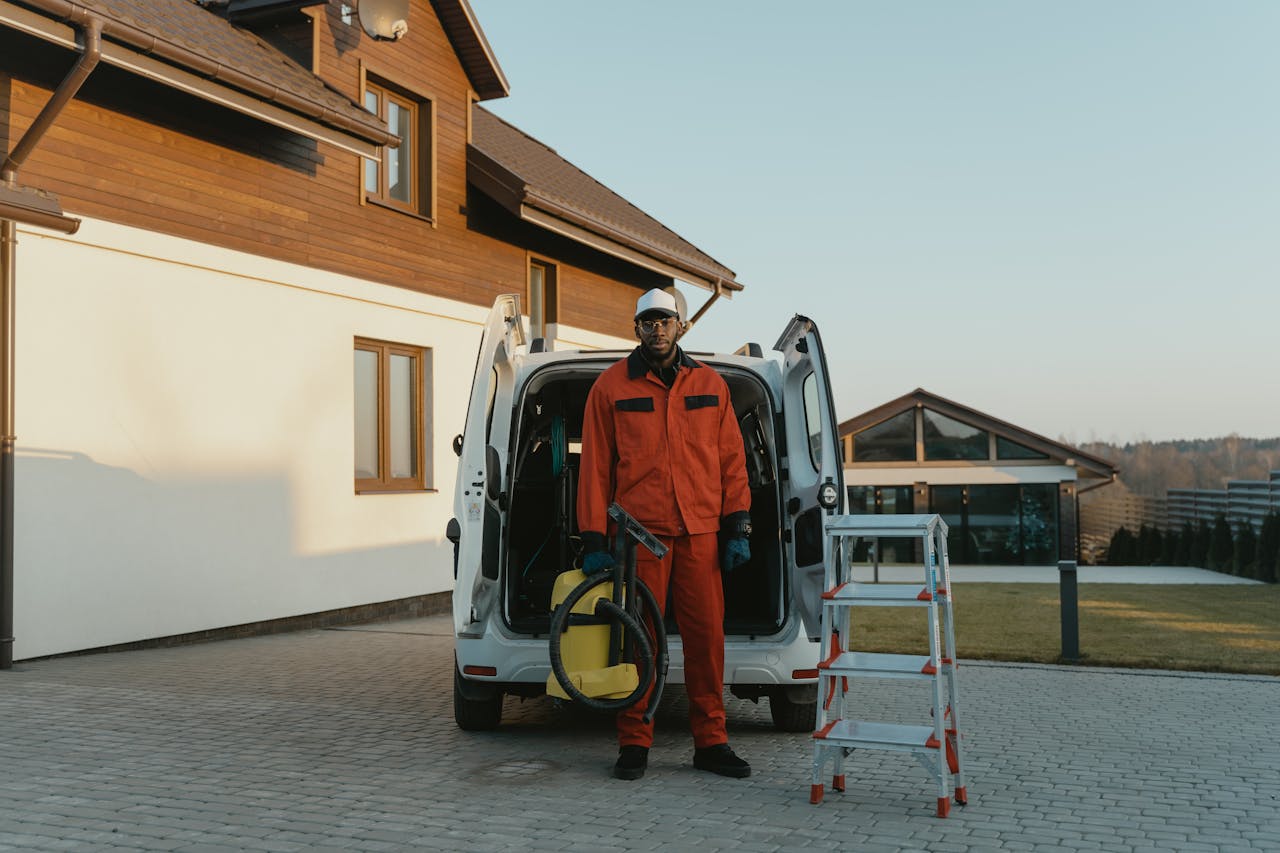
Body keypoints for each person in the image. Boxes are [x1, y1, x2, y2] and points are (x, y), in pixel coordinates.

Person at [576, 287, 754, 781]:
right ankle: (634, 742)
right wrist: (593, 538)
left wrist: (738, 523)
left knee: (706, 641)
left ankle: (711, 741)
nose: (657, 329)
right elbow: (594, 468)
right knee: (641, 640)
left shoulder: (711, 385)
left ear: (681, 326)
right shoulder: (611, 387)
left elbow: (732, 462)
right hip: (639, 538)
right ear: (636, 328)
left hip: (700, 534)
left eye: (665, 321)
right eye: (648, 321)